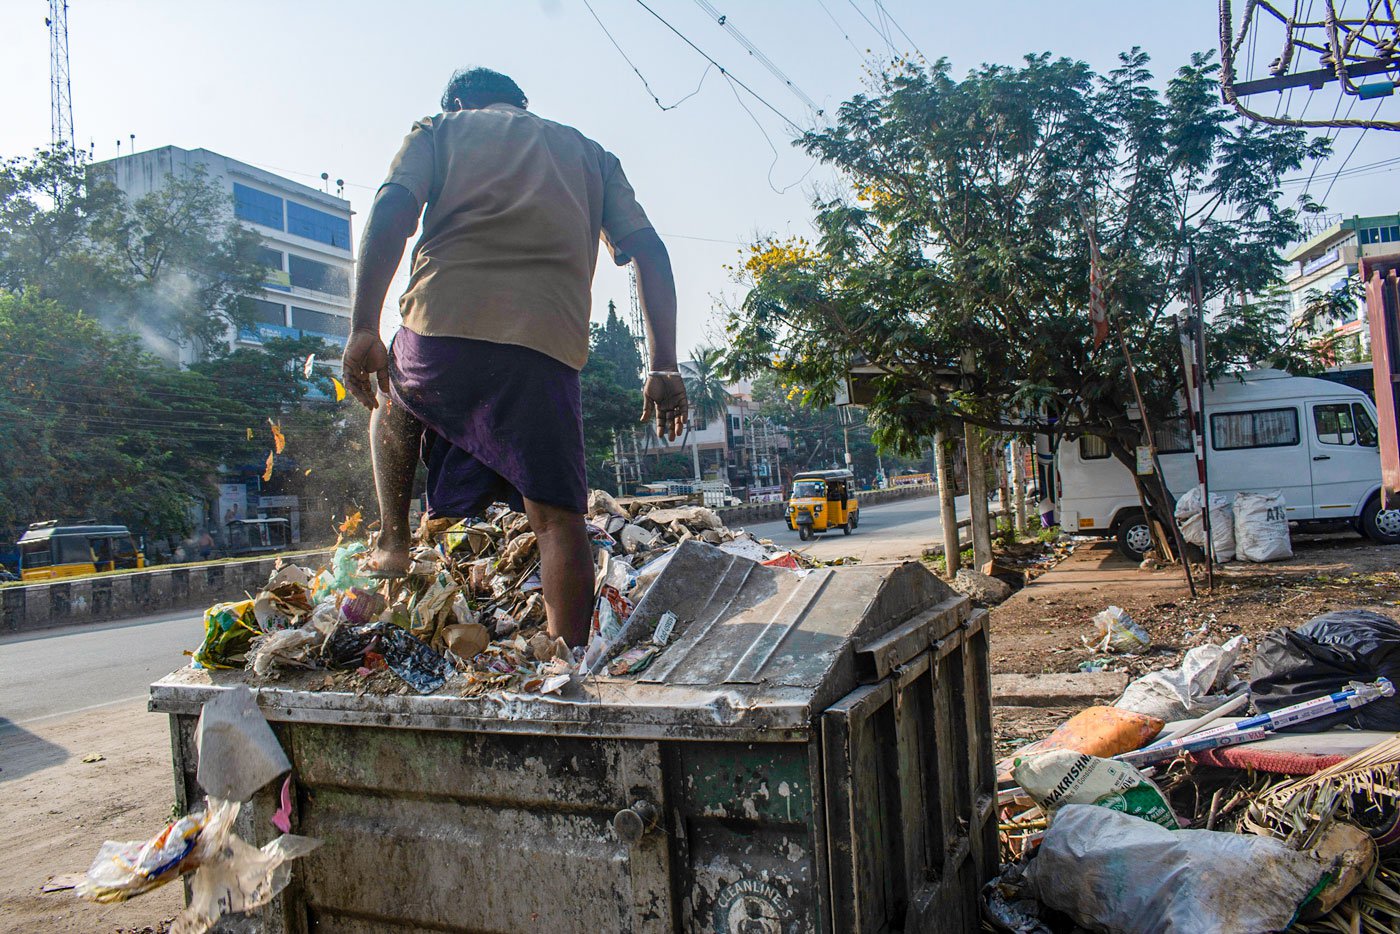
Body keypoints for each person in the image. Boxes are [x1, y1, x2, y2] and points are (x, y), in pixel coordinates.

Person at [342, 67, 686, 647]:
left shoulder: (438, 130)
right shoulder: (589, 155)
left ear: (458, 101)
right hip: (544, 350)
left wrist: (361, 328)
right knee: (557, 524)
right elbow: (649, 250)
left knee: (392, 390)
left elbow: (391, 212)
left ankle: (394, 541)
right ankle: (570, 661)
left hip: (439, 332)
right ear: (521, 104)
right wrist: (663, 366)